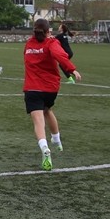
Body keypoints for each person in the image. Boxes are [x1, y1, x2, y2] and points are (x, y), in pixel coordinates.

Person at [23, 18, 81, 171]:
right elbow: (61, 56)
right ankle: (57, 141)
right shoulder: (51, 43)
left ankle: (45, 148)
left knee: (38, 121)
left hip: (32, 88)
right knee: (47, 110)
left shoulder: (29, 44)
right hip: (50, 88)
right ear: (48, 31)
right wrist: (71, 69)